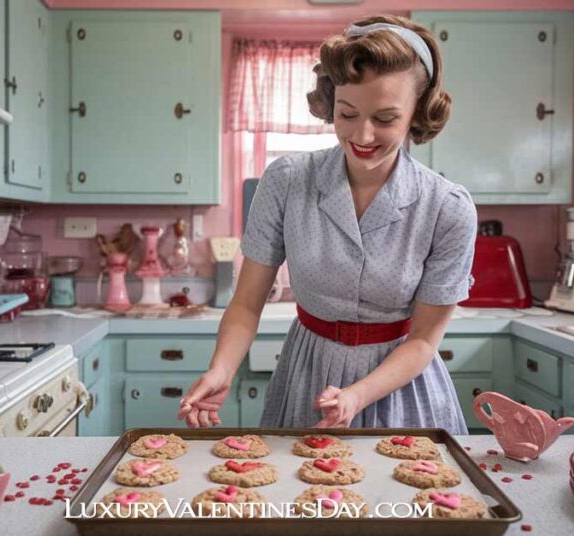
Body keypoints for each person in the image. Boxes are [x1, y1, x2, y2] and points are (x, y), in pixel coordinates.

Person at [177, 14, 476, 432]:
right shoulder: (286, 181)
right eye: (347, 113)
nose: (363, 135)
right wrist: (222, 369)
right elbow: (246, 303)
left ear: (417, 113)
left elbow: (425, 339)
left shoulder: (447, 207)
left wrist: (357, 395)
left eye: (385, 119)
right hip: (307, 375)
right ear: (331, 101)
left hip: (401, 387)